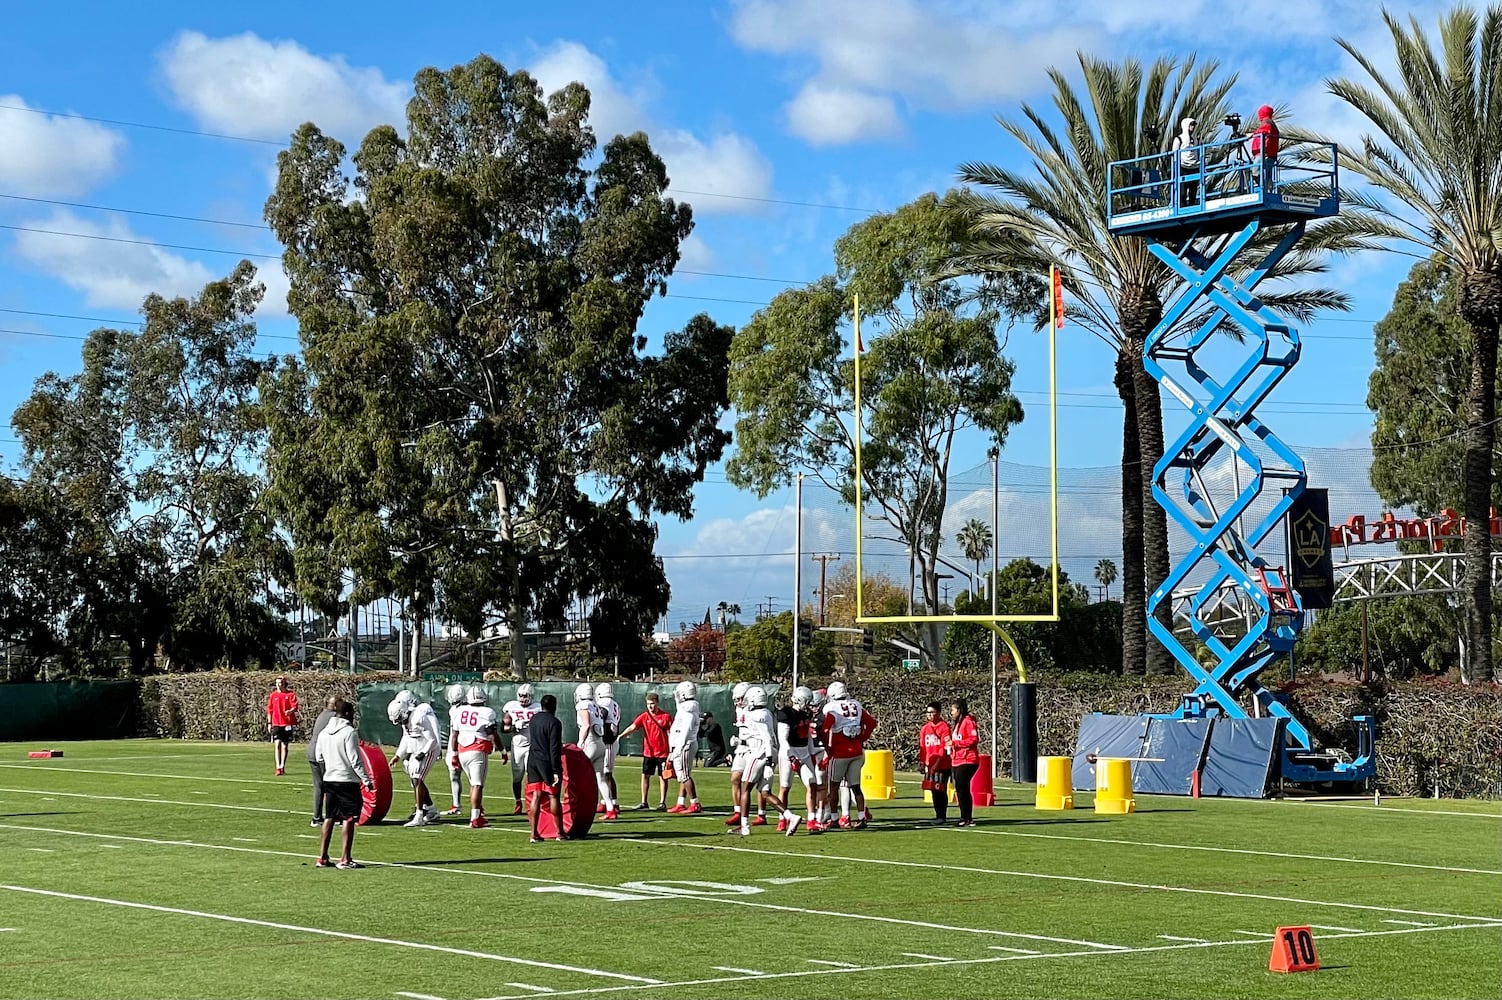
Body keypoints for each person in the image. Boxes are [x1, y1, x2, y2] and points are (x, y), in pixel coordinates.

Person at [729, 686, 802, 837]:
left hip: (760, 753)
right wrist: (741, 740)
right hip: (766, 752)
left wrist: (768, 761)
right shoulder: (765, 713)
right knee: (765, 792)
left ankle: (744, 826)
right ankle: (791, 816)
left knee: (745, 788)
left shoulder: (757, 715)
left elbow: (767, 738)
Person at [314, 698, 373, 869]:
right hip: (347, 781)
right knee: (348, 818)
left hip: (330, 779)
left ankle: (323, 857)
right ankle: (345, 859)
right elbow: (355, 760)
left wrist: (331, 766)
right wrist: (366, 780)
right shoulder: (349, 732)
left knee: (330, 817)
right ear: (347, 714)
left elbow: (319, 757)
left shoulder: (324, 732)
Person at [819, 680, 877, 830]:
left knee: (834, 787)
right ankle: (861, 817)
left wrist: (828, 748)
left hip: (840, 753)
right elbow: (871, 723)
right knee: (856, 787)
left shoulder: (832, 708)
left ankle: (834, 819)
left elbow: (825, 730)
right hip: (857, 751)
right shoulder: (856, 705)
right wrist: (861, 738)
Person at [448, 685, 501, 828]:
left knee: (474, 784)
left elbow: (454, 734)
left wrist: (454, 753)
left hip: (462, 749)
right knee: (477, 784)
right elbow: (491, 733)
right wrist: (501, 749)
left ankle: (477, 813)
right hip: (477, 749)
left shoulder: (460, 711)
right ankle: (475, 818)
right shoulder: (487, 712)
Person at [387, 691, 442, 827]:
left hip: (429, 749)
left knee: (417, 778)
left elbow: (433, 740)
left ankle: (419, 814)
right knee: (415, 780)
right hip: (418, 748)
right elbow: (406, 737)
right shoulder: (406, 720)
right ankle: (430, 809)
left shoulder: (419, 717)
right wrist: (398, 755)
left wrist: (423, 753)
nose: (401, 722)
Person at [777, 686, 823, 833]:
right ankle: (782, 818)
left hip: (804, 753)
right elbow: (782, 739)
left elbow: (808, 736)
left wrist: (811, 754)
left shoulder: (806, 714)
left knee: (812, 784)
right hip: (788, 754)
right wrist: (791, 756)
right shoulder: (786, 713)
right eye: (807, 701)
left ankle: (811, 819)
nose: (810, 705)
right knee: (785, 787)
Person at [616, 691, 672, 810]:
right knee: (645, 775)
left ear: (657, 703)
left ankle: (662, 802)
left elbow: (670, 733)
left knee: (663, 776)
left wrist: (672, 750)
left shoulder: (666, 717)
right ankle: (644, 802)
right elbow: (633, 727)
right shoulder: (644, 716)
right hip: (649, 752)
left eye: (652, 703)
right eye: (648, 704)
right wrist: (621, 735)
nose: (650, 706)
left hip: (662, 752)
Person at [525, 693, 566, 843]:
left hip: (532, 759)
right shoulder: (554, 722)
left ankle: (533, 833)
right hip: (546, 760)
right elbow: (554, 747)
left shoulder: (534, 719)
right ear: (554, 706)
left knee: (536, 795)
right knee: (553, 795)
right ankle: (559, 833)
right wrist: (555, 770)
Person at [575, 682, 616, 820]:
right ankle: (610, 809)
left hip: (590, 743)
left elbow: (586, 725)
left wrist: (580, 741)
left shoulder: (583, 705)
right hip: (601, 744)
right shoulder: (596, 706)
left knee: (579, 777)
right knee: (601, 779)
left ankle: (580, 807)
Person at [501, 683, 541, 815]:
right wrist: (514, 727)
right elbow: (504, 728)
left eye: (525, 696)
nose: (523, 699)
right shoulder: (511, 707)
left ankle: (531, 802)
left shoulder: (537, 708)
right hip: (517, 746)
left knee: (532, 776)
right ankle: (518, 802)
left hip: (532, 745)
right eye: (521, 696)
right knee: (517, 777)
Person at [666, 681, 703, 813]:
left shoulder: (689, 709)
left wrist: (678, 748)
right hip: (685, 744)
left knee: (684, 775)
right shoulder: (688, 706)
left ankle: (695, 803)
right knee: (683, 775)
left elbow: (686, 730)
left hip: (685, 745)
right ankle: (680, 802)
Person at [304, 695, 339, 828]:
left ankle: (317, 817)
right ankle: (333, 816)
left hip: (312, 752)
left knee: (319, 786)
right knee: (332, 785)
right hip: (322, 754)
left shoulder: (322, 714)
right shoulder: (334, 718)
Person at [947, 698, 981, 827]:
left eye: (953, 710)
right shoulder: (957, 724)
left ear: (960, 710)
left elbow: (973, 739)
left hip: (968, 759)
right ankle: (965, 817)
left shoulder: (968, 721)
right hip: (957, 759)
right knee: (961, 788)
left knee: (962, 786)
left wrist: (956, 743)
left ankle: (967, 817)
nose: (951, 712)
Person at [919, 700, 952, 826]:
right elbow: (923, 747)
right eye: (928, 712)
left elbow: (944, 747)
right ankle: (938, 815)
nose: (929, 715)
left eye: (932, 712)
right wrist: (923, 762)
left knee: (940, 789)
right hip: (930, 764)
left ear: (938, 713)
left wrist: (937, 764)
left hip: (942, 765)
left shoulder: (943, 727)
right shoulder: (925, 729)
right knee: (933, 789)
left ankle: (942, 816)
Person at [594, 682, 623, 818]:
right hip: (612, 740)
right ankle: (606, 802)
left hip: (608, 741)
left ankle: (613, 803)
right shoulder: (615, 703)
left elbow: (603, 715)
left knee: (606, 774)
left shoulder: (604, 703)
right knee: (604, 774)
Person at [440, 684, 467, 816]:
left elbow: (455, 733)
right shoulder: (462, 708)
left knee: (456, 777)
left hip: (459, 744)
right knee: (471, 779)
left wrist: (454, 751)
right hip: (466, 743)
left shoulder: (456, 710)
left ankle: (457, 805)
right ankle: (457, 805)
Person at [266, 675, 299, 776]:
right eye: (277, 683)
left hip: (287, 723)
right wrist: (269, 723)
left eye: (280, 683)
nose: (278, 685)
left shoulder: (290, 695)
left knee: (284, 746)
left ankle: (282, 765)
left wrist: (290, 711)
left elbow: (295, 706)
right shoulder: (273, 695)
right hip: (276, 723)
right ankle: (277, 767)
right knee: (277, 744)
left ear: (284, 684)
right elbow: (269, 710)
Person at [1170, 116, 1200, 207]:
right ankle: (1181, 205)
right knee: (1182, 191)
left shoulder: (1196, 139)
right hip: (1183, 167)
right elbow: (1174, 154)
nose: (1193, 127)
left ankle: (1192, 205)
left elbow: (1198, 151)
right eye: (1191, 125)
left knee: (1193, 190)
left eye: (1194, 125)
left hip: (1194, 166)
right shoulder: (1179, 139)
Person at [1248, 104, 1280, 187]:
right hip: (1271, 154)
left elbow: (1264, 130)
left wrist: (1252, 134)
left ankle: (1259, 187)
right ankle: (1269, 189)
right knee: (1269, 175)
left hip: (1264, 153)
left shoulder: (1266, 122)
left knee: (1255, 170)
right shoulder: (1272, 124)